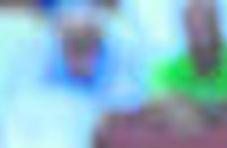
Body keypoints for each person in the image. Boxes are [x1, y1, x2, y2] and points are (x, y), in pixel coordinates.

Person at [8, 1, 147, 116]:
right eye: (73, 39)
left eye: (86, 35)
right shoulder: (34, 50)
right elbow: (24, 103)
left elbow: (128, 102)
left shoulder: (125, 46)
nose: (80, 38)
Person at [145, 0, 227, 123]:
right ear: (185, 27)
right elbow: (159, 105)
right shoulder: (167, 70)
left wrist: (207, 110)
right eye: (194, 26)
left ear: (219, 24)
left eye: (207, 23)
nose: (201, 35)